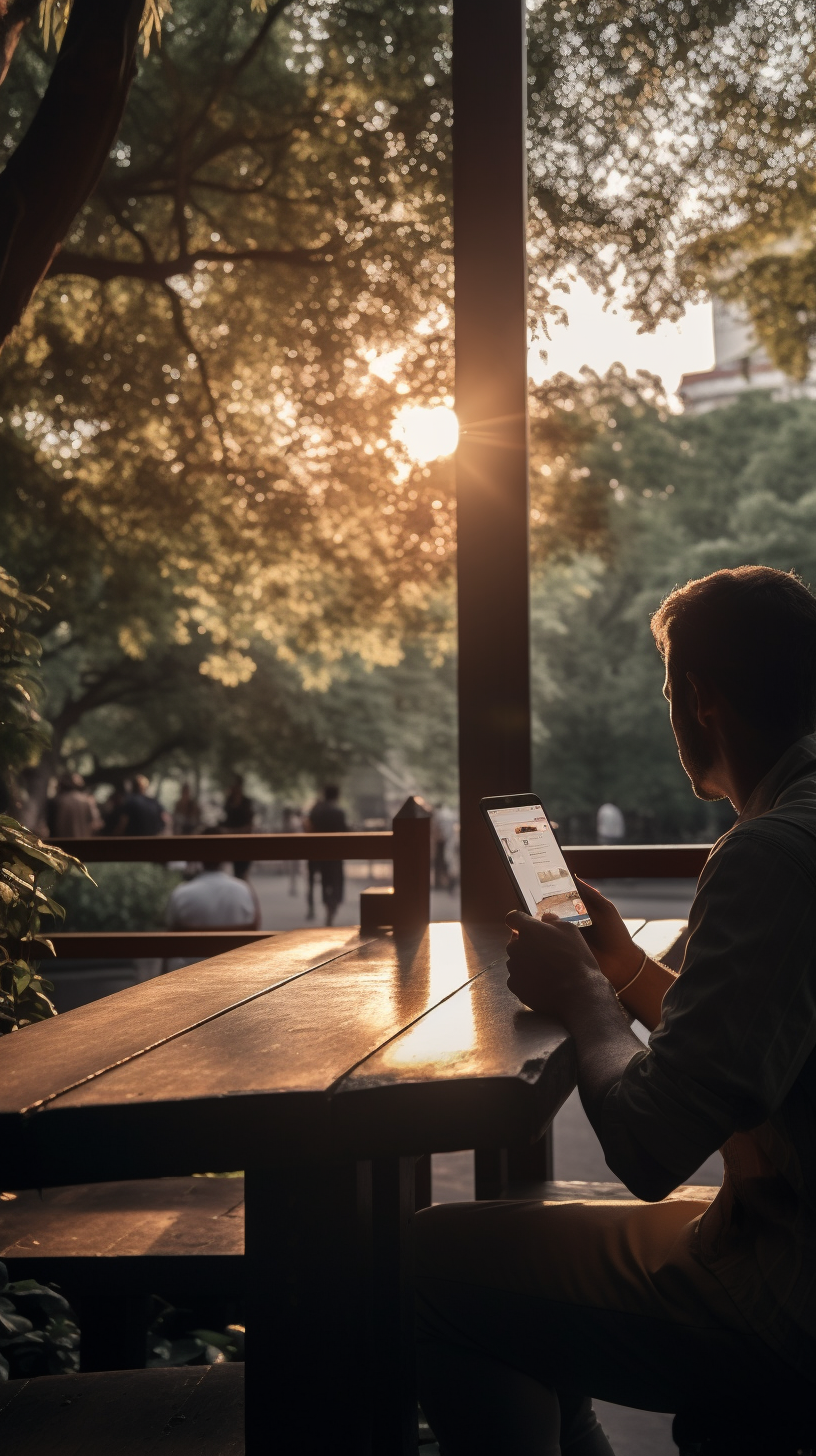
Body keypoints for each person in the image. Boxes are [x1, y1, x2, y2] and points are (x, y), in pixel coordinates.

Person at [415, 566, 816, 1455]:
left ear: (701, 699)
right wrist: (626, 967)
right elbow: (764, 1039)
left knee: (427, 1265)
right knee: (519, 1241)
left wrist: (583, 996)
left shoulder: (772, 854)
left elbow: (650, 1145)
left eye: (672, 692)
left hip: (784, 1295)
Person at [166, 861, 260, 931]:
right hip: (234, 956)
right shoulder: (243, 890)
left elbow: (171, 928)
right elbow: (255, 925)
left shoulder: (182, 893)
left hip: (193, 956)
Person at [306, 784, 347, 926]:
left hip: (320, 852)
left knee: (325, 882)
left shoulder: (316, 811)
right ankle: (333, 906)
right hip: (336, 854)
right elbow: (345, 832)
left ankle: (327, 905)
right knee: (336, 882)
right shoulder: (339, 812)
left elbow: (309, 829)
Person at [47, 772, 103, 838]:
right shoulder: (87, 801)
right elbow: (96, 824)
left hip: (62, 842)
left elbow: (52, 825)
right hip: (83, 841)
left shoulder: (58, 801)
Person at [221, 773, 254, 880]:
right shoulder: (228, 802)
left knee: (241, 875)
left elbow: (249, 826)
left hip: (243, 843)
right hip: (229, 842)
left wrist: (230, 831)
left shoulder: (246, 803)